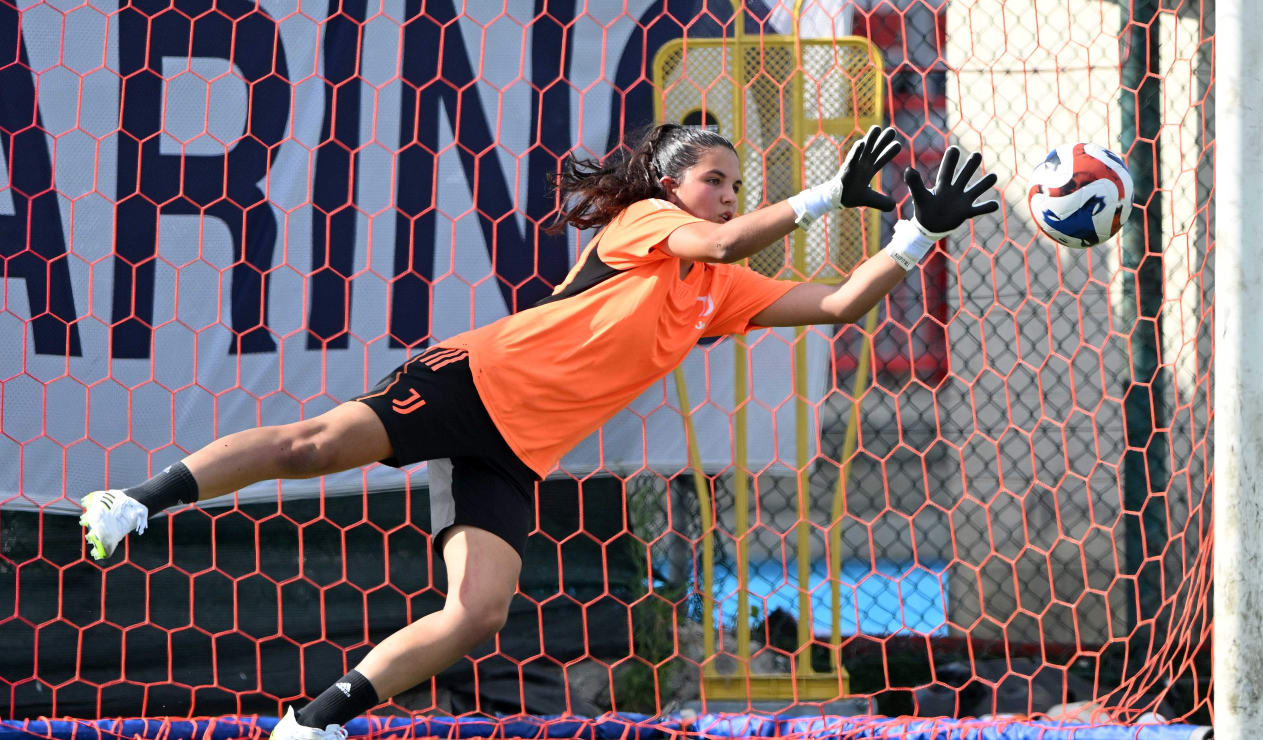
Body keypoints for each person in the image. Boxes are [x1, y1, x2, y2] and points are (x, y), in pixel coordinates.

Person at [78, 123, 998, 739]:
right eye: (713, 179)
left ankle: (310, 723)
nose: (724, 194)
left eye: (734, 184)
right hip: (473, 381)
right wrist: (831, 194)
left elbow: (837, 302)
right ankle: (133, 503)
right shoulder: (648, 225)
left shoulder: (720, 294)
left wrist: (916, 235)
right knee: (311, 448)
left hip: (517, 450)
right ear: (670, 186)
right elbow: (719, 242)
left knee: (476, 613)